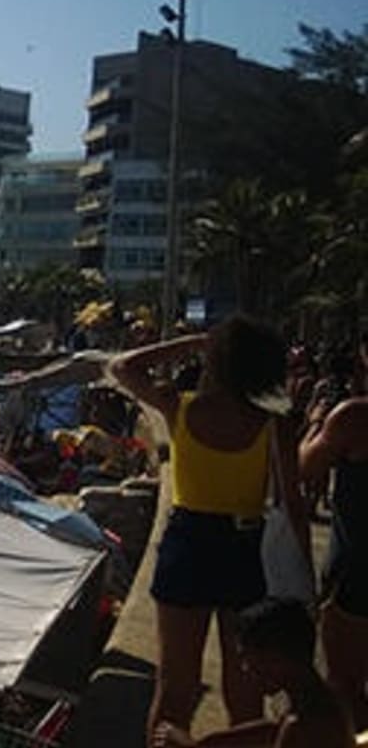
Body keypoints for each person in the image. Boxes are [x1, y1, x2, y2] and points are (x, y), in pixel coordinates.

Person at [111, 317, 308, 739]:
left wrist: (194, 341)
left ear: (216, 360)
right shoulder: (273, 423)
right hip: (246, 549)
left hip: (188, 545)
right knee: (246, 694)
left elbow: (123, 367)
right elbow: (294, 507)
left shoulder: (179, 408)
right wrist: (303, 581)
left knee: (174, 690)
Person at [154, 599, 353, 748]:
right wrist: (207, 744)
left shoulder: (300, 728)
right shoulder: (320, 696)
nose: (245, 668)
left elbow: (284, 730)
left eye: (249, 658)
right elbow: (273, 728)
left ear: (276, 658)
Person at [299, 334, 368, 731]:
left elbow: (305, 467)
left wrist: (314, 423)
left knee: (345, 686)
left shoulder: (355, 417)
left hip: (357, 575)